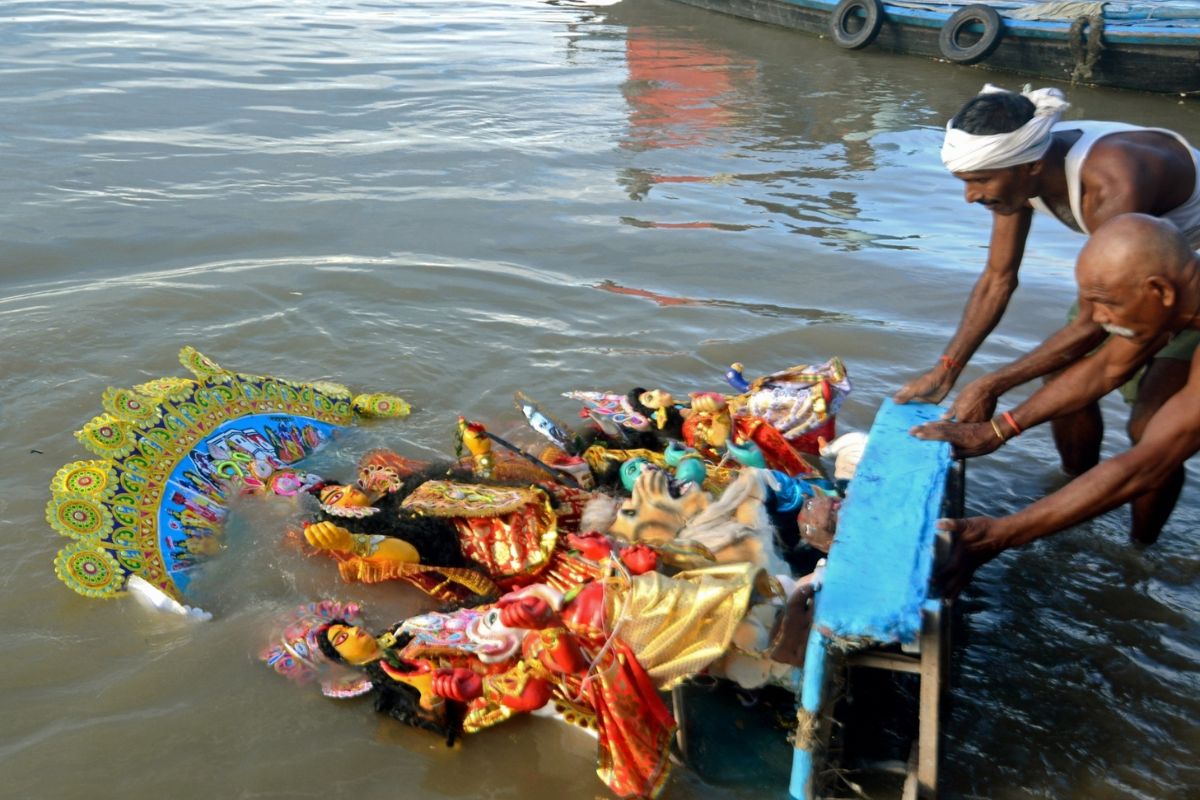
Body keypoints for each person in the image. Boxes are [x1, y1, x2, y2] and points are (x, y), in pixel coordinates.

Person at [894, 84, 1200, 543]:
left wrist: (995, 387)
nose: (970, 197)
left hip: (1170, 269)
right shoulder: (1019, 177)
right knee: (1063, 380)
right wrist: (950, 373)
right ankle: (1079, 491)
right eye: (965, 181)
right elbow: (999, 278)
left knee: (1151, 428)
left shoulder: (1114, 180)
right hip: (1134, 271)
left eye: (979, 182)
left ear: (1030, 166)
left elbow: (1097, 335)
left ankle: (1141, 549)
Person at [264, 560, 819, 799]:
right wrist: (461, 688)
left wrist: (506, 605)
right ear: (344, 662)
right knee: (596, 610)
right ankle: (761, 635)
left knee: (609, 587)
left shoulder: (405, 627)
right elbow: (446, 713)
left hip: (505, 625)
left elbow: (468, 610)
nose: (348, 634)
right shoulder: (395, 678)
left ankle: (748, 615)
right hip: (517, 664)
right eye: (337, 642)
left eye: (343, 628)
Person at [913, 214, 1200, 596]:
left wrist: (1000, 534)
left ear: (1159, 291)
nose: (1095, 319)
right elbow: (1104, 367)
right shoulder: (1176, 303)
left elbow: (1147, 465)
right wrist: (998, 429)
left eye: (1104, 303)